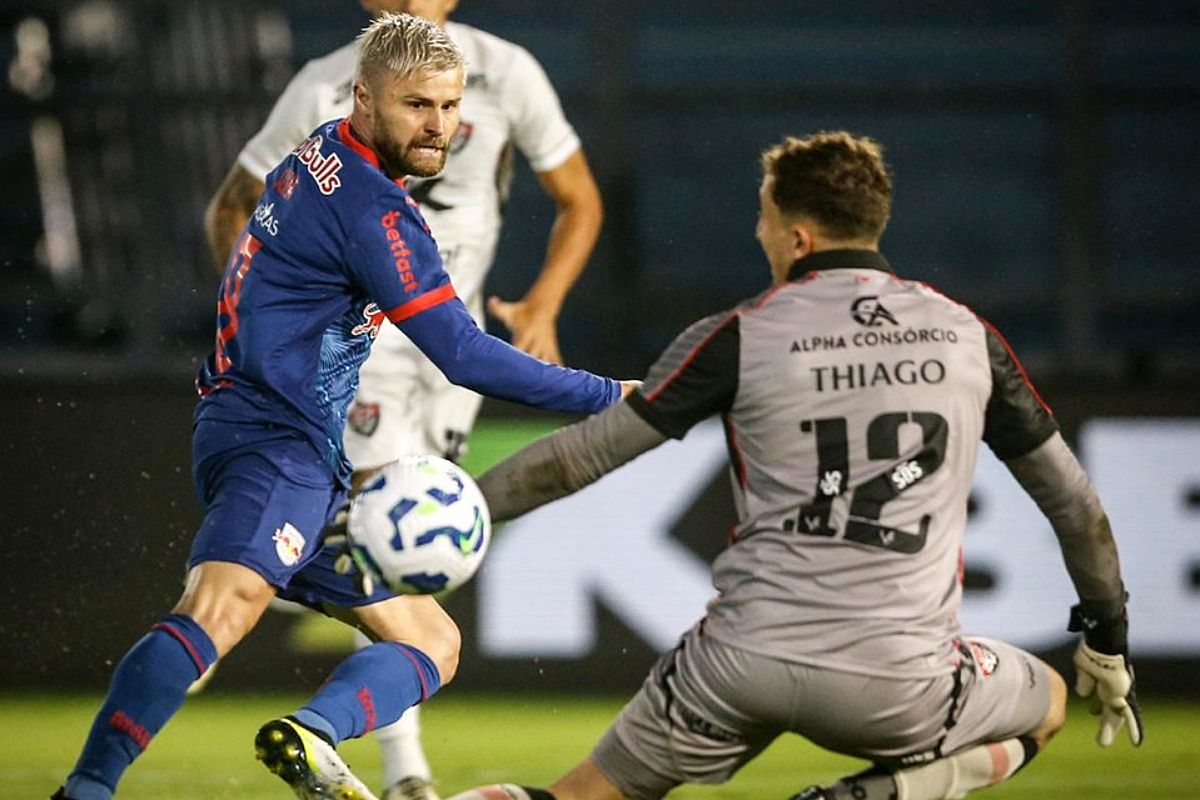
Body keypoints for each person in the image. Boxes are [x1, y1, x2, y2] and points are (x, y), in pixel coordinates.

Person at [446, 131, 1143, 800]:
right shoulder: (967, 337)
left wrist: (461, 512)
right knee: (1047, 702)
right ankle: (881, 792)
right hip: (901, 683)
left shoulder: (740, 335)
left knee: (576, 797)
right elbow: (1075, 506)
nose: (760, 234)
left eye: (764, 217)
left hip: (738, 666)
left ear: (798, 237)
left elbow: (580, 458)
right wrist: (1107, 637)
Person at [52, 14, 630, 800]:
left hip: (294, 445)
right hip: (272, 442)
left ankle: (314, 732)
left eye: (452, 106)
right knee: (220, 608)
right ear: (364, 98)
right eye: (417, 106)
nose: (442, 129)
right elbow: (462, 356)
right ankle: (85, 789)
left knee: (431, 639)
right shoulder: (376, 213)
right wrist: (615, 397)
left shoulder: (328, 144)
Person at [204, 4, 602, 794]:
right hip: (362, 353)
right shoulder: (325, 87)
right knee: (388, 539)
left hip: (451, 335)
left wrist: (545, 306)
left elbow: (579, 197)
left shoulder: (508, 70)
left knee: (407, 550)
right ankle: (402, 768)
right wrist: (268, 325)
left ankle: (279, 570)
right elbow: (234, 203)